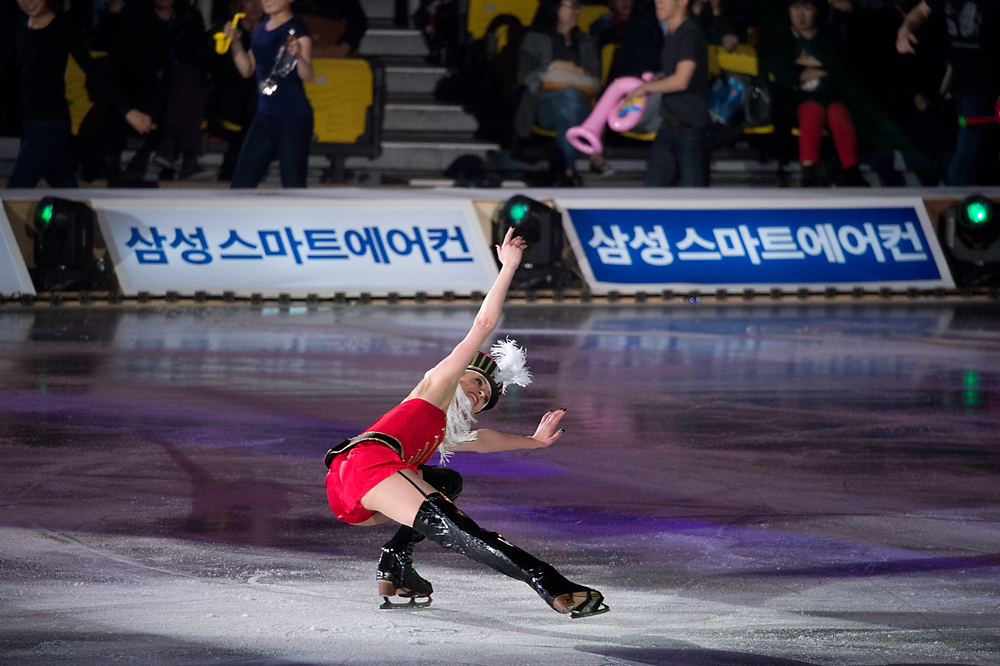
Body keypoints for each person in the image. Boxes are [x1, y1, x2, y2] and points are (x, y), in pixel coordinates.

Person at [324, 227, 609, 618]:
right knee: (458, 529)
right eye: (476, 382)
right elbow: (484, 325)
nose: (478, 394)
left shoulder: (444, 427)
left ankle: (395, 561)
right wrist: (508, 267)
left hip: (355, 485)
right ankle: (548, 581)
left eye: (484, 397)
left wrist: (534, 442)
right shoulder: (436, 385)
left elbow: (486, 440)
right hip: (367, 465)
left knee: (446, 482)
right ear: (458, 372)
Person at [1, 0, 152, 188]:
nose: (28, 2)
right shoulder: (18, 26)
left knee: (16, 188)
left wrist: (128, 111)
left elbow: (93, 71)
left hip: (51, 121)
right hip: (29, 122)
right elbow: (7, 76)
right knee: (66, 189)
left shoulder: (63, 27)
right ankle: (85, 216)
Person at [764, 0, 867, 187]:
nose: (801, 14)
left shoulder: (830, 36)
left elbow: (840, 66)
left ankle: (851, 169)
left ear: (816, 12)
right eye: (795, 8)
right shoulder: (782, 40)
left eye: (807, 8)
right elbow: (783, 71)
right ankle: (809, 170)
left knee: (838, 112)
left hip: (831, 95)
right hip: (797, 98)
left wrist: (806, 65)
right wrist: (814, 68)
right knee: (811, 111)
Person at [896, 0, 1000, 186]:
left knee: (963, 165)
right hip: (959, 81)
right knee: (962, 154)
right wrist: (905, 30)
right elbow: (921, 10)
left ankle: (955, 206)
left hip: (984, 83)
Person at [514, 0, 611, 186]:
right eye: (570, 5)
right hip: (542, 104)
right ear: (554, 7)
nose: (576, 11)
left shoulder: (585, 41)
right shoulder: (534, 38)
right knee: (569, 97)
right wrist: (559, 69)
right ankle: (593, 151)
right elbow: (528, 80)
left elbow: (595, 81)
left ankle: (569, 170)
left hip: (576, 105)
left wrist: (563, 75)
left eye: (578, 6)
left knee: (567, 107)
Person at [225, 0, 314, 188]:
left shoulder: (296, 28)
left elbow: (308, 76)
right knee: (241, 184)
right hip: (265, 116)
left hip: (293, 117)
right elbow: (247, 69)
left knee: (294, 185)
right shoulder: (263, 27)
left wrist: (297, 56)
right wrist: (235, 43)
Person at [630, 0, 710, 187]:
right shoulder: (673, 35)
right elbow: (675, 77)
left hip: (690, 129)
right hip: (669, 125)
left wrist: (646, 88)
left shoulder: (689, 33)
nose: (658, 2)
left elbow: (682, 80)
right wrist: (656, 83)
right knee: (653, 196)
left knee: (694, 201)